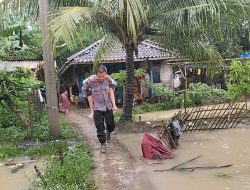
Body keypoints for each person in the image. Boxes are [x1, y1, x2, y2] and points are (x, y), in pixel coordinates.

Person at [82, 65, 117, 153]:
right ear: (96, 74)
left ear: (106, 74)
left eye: (103, 76)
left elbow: (115, 84)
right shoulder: (92, 81)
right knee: (100, 127)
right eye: (99, 76)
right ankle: (103, 144)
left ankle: (109, 132)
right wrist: (88, 79)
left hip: (108, 106)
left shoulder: (108, 80)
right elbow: (84, 87)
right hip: (97, 107)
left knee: (111, 125)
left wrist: (110, 79)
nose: (101, 78)